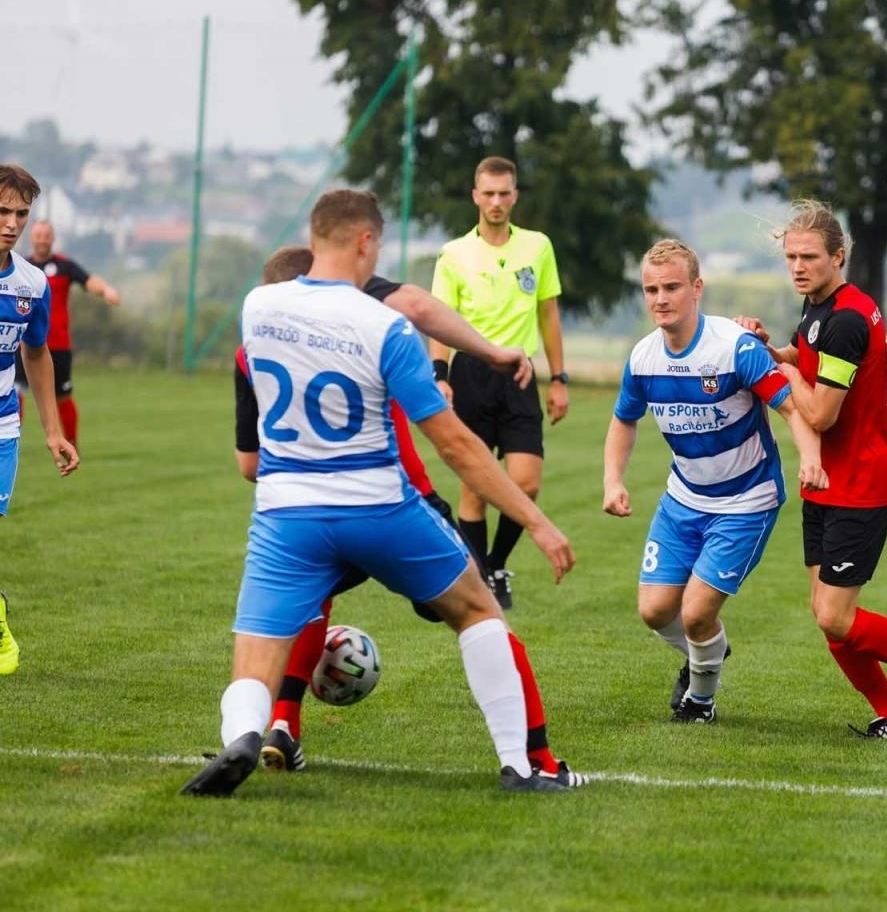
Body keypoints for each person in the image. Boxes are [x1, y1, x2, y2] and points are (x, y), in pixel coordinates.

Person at [182, 189, 579, 797]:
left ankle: (245, 732)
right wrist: (539, 522)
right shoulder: (384, 326)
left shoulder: (257, 308)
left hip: (287, 511)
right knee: (477, 611)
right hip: (377, 504)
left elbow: (249, 458)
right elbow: (456, 445)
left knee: (256, 648)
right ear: (366, 242)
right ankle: (521, 767)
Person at [736, 201, 887, 741]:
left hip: (862, 484)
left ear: (838, 256)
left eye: (810, 257)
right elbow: (806, 358)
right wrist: (773, 349)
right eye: (791, 257)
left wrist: (775, 368)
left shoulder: (846, 320)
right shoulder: (819, 305)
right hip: (829, 481)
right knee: (826, 612)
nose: (798, 267)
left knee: (836, 617)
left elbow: (820, 413)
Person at [603, 239, 827, 723]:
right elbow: (624, 419)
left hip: (747, 500)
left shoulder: (734, 348)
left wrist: (810, 458)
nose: (661, 298)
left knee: (697, 613)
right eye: (651, 289)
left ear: (697, 288)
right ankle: (707, 654)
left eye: (672, 287)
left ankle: (700, 701)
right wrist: (612, 480)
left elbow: (789, 406)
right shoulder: (643, 358)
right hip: (683, 498)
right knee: (655, 611)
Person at [429, 155, 569, 611]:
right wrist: (441, 376)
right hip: (470, 373)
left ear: (515, 196)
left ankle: (492, 563)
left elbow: (548, 313)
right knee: (475, 485)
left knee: (525, 482)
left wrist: (559, 377)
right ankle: (487, 580)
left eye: (503, 192)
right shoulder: (454, 254)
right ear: (475, 196)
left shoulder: (538, 247)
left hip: (520, 375)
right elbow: (440, 321)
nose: (495, 201)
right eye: (487, 193)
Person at [0, 165, 80, 676]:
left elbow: (36, 354)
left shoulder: (31, 284)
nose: (12, 224)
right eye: (3, 212)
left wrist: (54, 431)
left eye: (21, 214)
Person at [17, 220, 121, 447]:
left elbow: (89, 281)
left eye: (46, 235)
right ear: (31, 238)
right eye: (38, 235)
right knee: (15, 392)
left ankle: (71, 442)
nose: (42, 239)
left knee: (62, 396)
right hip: (24, 343)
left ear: (52, 239)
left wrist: (106, 290)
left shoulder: (65, 266)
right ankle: (11, 440)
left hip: (58, 344)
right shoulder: (21, 267)